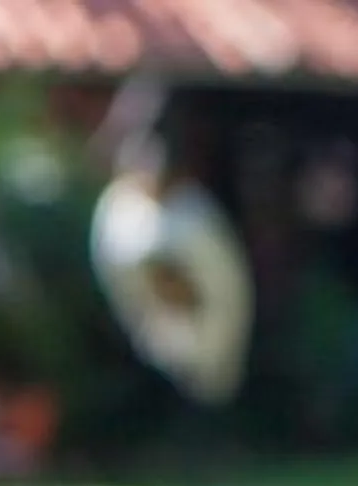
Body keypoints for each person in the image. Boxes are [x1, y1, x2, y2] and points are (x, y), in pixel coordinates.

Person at [91, 132, 254, 406]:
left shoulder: (195, 214)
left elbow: (225, 287)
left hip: (204, 331)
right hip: (157, 333)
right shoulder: (117, 211)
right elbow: (120, 277)